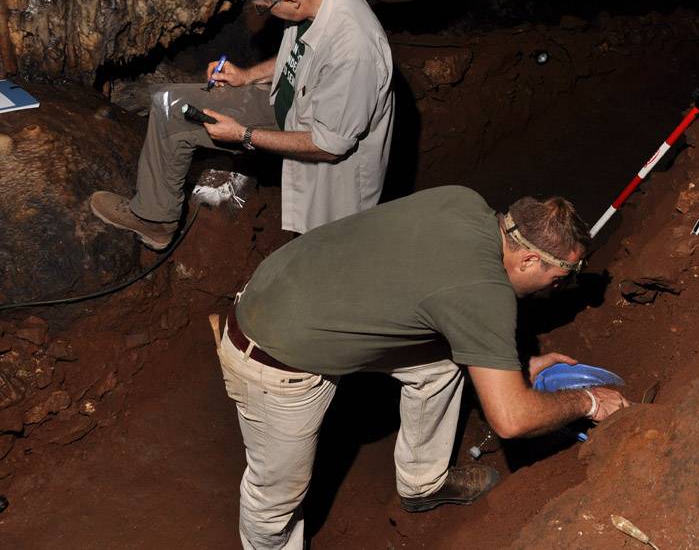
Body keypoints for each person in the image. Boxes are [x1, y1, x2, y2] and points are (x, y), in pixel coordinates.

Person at [215, 185, 631, 549]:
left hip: (293, 288)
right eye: (557, 278)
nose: (555, 289)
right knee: (276, 496)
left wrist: (516, 366)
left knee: (442, 365)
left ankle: (422, 483)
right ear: (526, 262)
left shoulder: (462, 202)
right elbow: (511, 420)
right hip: (273, 350)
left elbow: (442, 295)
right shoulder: (483, 294)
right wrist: (588, 402)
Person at [90, 0, 394, 248]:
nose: (262, 12)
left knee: (319, 256)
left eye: (263, 7)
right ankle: (153, 220)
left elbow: (329, 145)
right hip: (291, 105)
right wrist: (247, 76)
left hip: (329, 158)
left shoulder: (354, 50)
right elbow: (305, 52)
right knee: (170, 105)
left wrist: (242, 135)